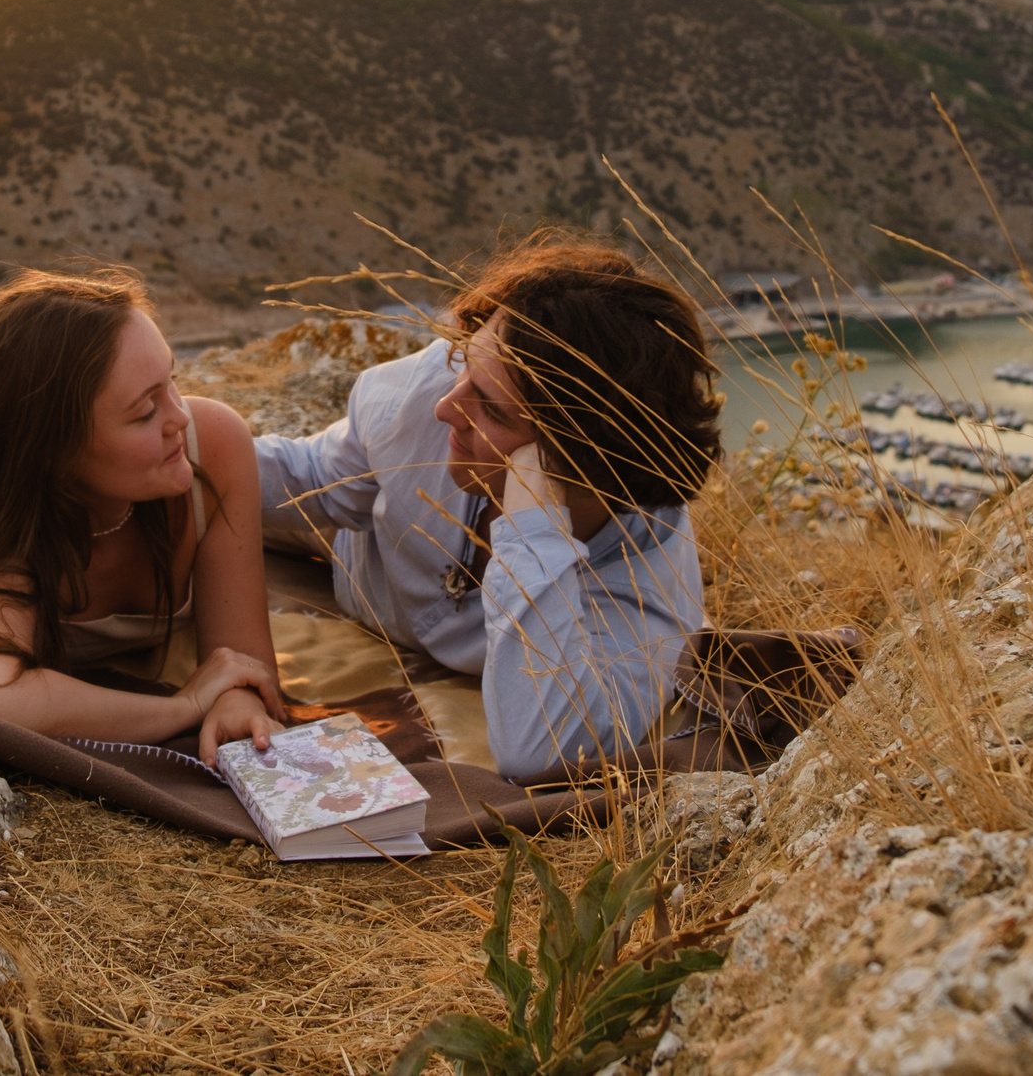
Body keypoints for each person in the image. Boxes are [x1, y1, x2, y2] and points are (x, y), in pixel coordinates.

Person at [255, 238, 719, 782]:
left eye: (492, 410)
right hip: (349, 534)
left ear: (580, 462)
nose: (447, 407)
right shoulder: (441, 389)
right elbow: (310, 477)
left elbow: (540, 752)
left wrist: (535, 531)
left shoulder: (652, 599)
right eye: (465, 367)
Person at [0, 269, 287, 763]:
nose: (179, 417)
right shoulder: (5, 526)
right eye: (145, 412)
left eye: (171, 380)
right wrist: (185, 707)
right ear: (53, 451)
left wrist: (237, 695)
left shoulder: (210, 447)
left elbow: (243, 662)